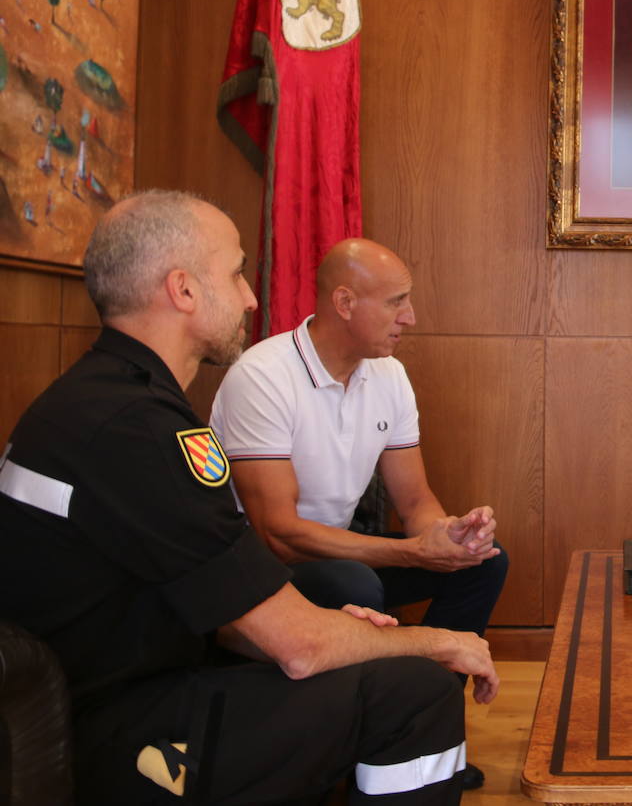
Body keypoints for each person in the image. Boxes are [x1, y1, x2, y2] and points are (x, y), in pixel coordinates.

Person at [0, 190, 497, 804]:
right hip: (107, 734)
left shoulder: (102, 398)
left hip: (104, 692)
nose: (250, 296)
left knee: (370, 648)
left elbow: (220, 606)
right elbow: (298, 647)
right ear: (182, 290)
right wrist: (441, 642)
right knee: (413, 690)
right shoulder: (139, 428)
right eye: (235, 273)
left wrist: (330, 627)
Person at [209, 238, 507, 789]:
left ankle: (430, 726)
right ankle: (352, 747)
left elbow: (416, 503)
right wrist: (410, 551)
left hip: (342, 554)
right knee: (355, 581)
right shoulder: (263, 376)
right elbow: (279, 534)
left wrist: (449, 535)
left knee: (485, 562)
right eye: (397, 302)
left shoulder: (387, 374)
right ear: (345, 303)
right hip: (263, 577)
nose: (410, 318)